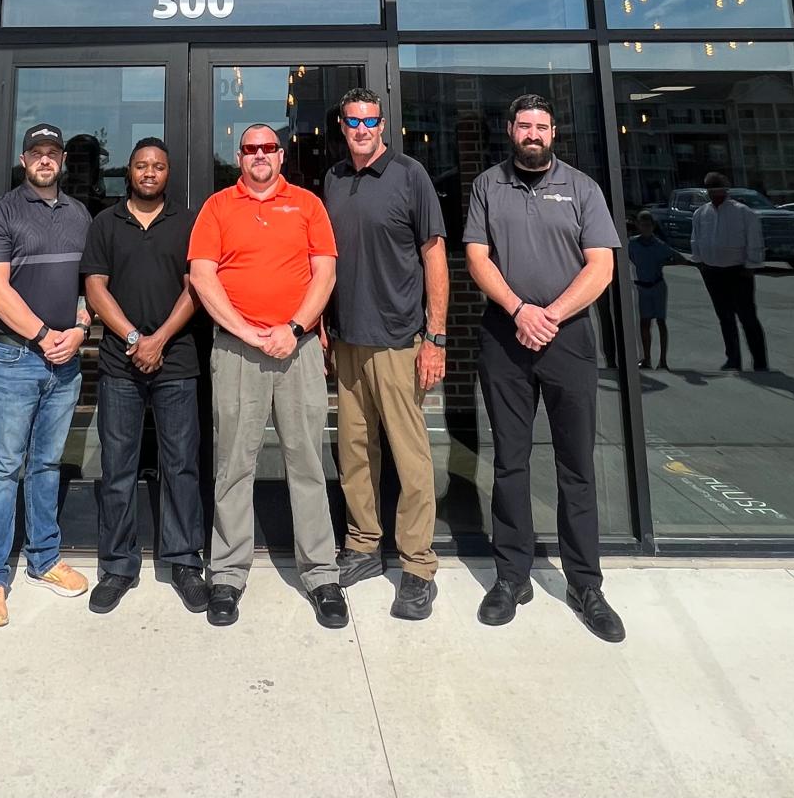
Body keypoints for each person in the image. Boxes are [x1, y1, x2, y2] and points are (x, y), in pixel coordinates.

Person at [464, 94, 625, 644]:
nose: (532, 134)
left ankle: (586, 583)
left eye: (541, 126)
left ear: (553, 132)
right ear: (510, 130)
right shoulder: (489, 185)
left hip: (569, 337)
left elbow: (600, 265)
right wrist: (519, 310)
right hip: (506, 336)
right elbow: (477, 257)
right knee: (509, 462)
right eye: (524, 126)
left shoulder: (582, 188)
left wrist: (550, 315)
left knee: (575, 465)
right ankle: (511, 577)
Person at [188, 124, 346, 630]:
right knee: (234, 463)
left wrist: (295, 327)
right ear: (240, 157)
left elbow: (325, 272)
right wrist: (248, 332)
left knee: (307, 462)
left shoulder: (307, 204)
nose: (260, 155)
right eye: (251, 149)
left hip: (297, 349)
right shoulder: (217, 207)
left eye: (268, 148)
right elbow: (202, 276)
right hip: (238, 351)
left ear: (281, 155)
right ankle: (227, 576)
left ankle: (322, 575)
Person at [323, 87, 448, 621]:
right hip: (347, 341)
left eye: (370, 121)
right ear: (342, 124)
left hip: (399, 341)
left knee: (410, 458)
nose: (362, 130)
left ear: (382, 123)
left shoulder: (410, 175)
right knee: (354, 453)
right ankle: (363, 546)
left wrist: (435, 338)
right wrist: (325, 324)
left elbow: (435, 257)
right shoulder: (332, 179)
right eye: (353, 121)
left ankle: (418, 566)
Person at [0, 123, 93, 628]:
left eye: (52, 153)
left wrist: (82, 327)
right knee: (3, 466)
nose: (45, 160)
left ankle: (44, 558)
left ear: (62, 159)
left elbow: (92, 282)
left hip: (66, 359)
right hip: (15, 358)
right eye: (36, 153)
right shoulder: (1, 213)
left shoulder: (80, 214)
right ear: (24, 160)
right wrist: (45, 336)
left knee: (45, 464)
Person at [82, 137, 208, 615]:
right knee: (118, 468)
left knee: (181, 465)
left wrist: (158, 341)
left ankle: (183, 561)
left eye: (158, 166)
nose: (149, 173)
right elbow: (95, 287)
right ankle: (117, 566)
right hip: (119, 363)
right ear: (128, 172)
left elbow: (197, 286)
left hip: (176, 361)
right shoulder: (105, 224)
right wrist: (136, 339)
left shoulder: (189, 222)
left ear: (167, 174)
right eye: (141, 166)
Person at [690, 172, 768, 372]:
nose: (715, 194)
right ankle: (733, 359)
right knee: (725, 318)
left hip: (739, 271)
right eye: (711, 191)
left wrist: (751, 265)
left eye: (718, 190)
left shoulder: (743, 212)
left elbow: (754, 239)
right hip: (712, 271)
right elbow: (696, 239)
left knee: (747, 317)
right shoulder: (701, 213)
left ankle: (760, 361)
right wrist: (699, 262)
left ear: (726, 190)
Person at [627, 210, 679, 370]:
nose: (646, 228)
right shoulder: (633, 244)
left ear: (653, 226)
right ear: (638, 226)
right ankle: (646, 358)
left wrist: (665, 263)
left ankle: (663, 360)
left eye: (649, 225)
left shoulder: (658, 245)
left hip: (657, 286)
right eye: (643, 225)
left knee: (661, 322)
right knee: (644, 323)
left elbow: (675, 256)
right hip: (642, 286)